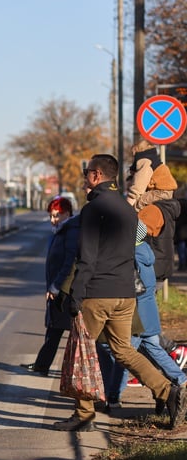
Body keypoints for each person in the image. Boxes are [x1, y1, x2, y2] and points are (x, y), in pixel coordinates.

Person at [53, 154, 187, 432]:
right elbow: (136, 245)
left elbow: (86, 258)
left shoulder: (93, 210)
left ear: (96, 175)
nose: (86, 175)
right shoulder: (129, 210)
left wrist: (75, 295)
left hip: (98, 292)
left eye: (88, 171)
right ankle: (168, 391)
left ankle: (83, 415)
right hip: (125, 293)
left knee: (82, 350)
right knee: (124, 350)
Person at [97, 221, 187, 412]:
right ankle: (181, 380)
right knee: (154, 349)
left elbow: (133, 288)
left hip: (137, 317)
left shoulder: (131, 257)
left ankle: (114, 396)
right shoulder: (145, 252)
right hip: (149, 313)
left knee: (124, 355)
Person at [21, 197, 79, 375]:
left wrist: (56, 286)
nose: (53, 220)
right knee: (54, 329)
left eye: (57, 216)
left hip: (64, 291)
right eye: (51, 216)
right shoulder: (60, 230)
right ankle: (42, 364)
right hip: (57, 288)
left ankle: (66, 368)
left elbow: (69, 262)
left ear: (67, 214)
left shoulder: (70, 231)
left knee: (65, 330)